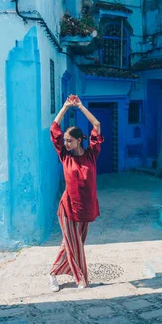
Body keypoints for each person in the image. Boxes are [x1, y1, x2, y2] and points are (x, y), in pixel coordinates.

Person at [48, 95, 103, 292]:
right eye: (65, 141)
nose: (67, 143)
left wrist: (80, 106)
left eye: (70, 141)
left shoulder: (91, 155)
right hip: (68, 208)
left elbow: (96, 124)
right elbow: (54, 129)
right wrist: (64, 107)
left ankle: (53, 273)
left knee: (70, 244)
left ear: (80, 140)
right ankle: (81, 279)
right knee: (75, 246)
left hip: (86, 208)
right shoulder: (65, 157)